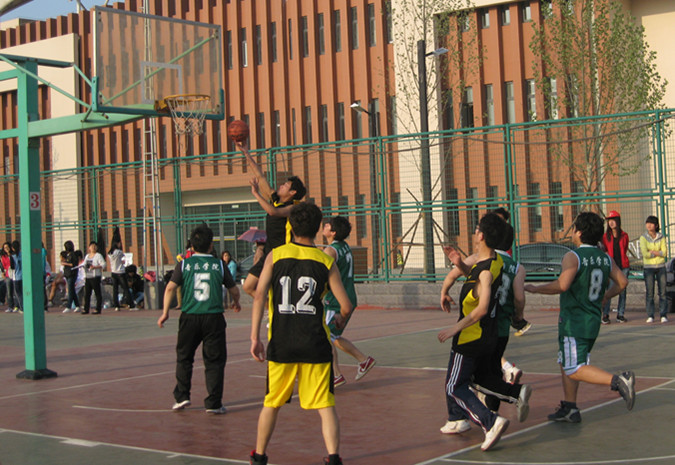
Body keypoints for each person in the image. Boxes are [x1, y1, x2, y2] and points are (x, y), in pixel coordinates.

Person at [249, 203, 353, 465]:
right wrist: (340, 318)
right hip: (315, 343)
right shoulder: (325, 260)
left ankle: (259, 456)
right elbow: (346, 305)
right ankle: (333, 457)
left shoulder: (275, 255)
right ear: (318, 228)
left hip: (281, 341)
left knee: (271, 403)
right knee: (325, 405)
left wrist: (254, 337)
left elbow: (259, 295)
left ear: (291, 226)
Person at [525, 211, 635, 423]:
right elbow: (623, 282)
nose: (572, 231)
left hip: (574, 320)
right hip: (592, 319)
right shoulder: (605, 258)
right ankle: (570, 407)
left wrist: (536, 289)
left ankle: (618, 381)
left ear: (579, 232)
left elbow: (562, 285)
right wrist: (605, 296)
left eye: (574, 228)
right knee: (566, 360)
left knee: (573, 368)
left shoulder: (573, 256)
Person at [437, 213, 510, 452]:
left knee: (454, 386)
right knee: (463, 379)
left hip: (471, 335)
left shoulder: (486, 270)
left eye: (477, 229)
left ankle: (490, 421)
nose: (475, 231)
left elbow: (481, 308)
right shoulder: (493, 261)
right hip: (485, 335)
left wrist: (454, 328)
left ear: (481, 236)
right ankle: (457, 419)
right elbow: (476, 276)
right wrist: (459, 263)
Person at [158, 225, 241, 414]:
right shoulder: (219, 265)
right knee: (214, 361)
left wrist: (165, 312)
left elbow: (170, 288)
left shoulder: (184, 264)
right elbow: (234, 290)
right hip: (213, 318)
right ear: (211, 245)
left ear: (192, 246)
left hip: (189, 317)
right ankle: (213, 403)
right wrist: (236, 302)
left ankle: (182, 396)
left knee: (184, 357)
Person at [237, 141, 306, 297]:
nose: (281, 186)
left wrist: (256, 194)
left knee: (280, 290)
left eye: (286, 185)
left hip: (283, 254)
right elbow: (260, 176)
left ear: (293, 192)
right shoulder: (275, 199)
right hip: (269, 252)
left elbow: (273, 212)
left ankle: (277, 307)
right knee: (248, 286)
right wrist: (246, 153)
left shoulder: (293, 207)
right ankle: (271, 306)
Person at [322, 216, 375, 387]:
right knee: (334, 337)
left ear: (333, 232)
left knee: (325, 338)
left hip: (336, 299)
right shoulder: (344, 246)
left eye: (328, 225)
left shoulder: (330, 251)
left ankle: (336, 375)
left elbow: (322, 275)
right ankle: (363, 360)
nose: (324, 226)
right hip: (348, 295)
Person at [600, 210, 630, 324]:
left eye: (613, 220)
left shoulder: (624, 235)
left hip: (623, 266)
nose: (611, 222)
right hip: (612, 267)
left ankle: (620, 314)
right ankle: (605, 314)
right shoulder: (605, 237)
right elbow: (604, 250)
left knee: (622, 291)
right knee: (610, 290)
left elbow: (625, 248)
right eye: (609, 220)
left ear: (618, 221)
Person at [640, 215, 668, 323]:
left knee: (663, 292)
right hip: (648, 268)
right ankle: (650, 315)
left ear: (656, 225)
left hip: (661, 267)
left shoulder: (661, 237)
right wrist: (657, 253)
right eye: (647, 223)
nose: (649, 225)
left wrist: (653, 252)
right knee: (650, 293)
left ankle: (663, 315)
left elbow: (664, 253)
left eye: (651, 223)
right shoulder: (643, 237)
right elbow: (645, 253)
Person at [108, 240, 135, 311]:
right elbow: (123, 258)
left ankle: (116, 305)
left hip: (113, 272)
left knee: (115, 289)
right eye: (119, 243)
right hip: (120, 272)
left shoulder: (110, 253)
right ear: (117, 243)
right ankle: (131, 304)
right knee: (126, 288)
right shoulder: (119, 252)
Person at [82, 241, 106, 315]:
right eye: (92, 246)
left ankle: (98, 309)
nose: (93, 247)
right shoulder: (87, 256)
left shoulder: (98, 255)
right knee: (87, 294)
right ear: (89, 247)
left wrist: (95, 267)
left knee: (97, 293)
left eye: (95, 246)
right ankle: (86, 309)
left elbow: (103, 264)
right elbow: (84, 264)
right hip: (88, 276)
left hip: (95, 276)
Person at [61, 240, 80, 313]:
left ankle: (68, 306)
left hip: (72, 274)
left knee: (70, 291)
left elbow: (73, 264)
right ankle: (77, 305)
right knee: (72, 290)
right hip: (68, 274)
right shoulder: (68, 255)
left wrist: (65, 263)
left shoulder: (72, 255)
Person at [1, 242, 15, 312]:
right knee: (9, 292)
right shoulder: (3, 256)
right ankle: (10, 306)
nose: (6, 249)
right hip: (8, 274)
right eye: (5, 248)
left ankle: (17, 305)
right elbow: (3, 265)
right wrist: (3, 272)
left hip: (14, 274)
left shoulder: (13, 255)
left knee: (15, 291)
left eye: (7, 247)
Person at [10, 240, 22, 313]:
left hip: (16, 277)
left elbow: (12, 267)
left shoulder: (12, 256)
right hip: (23, 276)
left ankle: (21, 307)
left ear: (13, 248)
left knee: (18, 293)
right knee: (23, 293)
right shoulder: (22, 254)